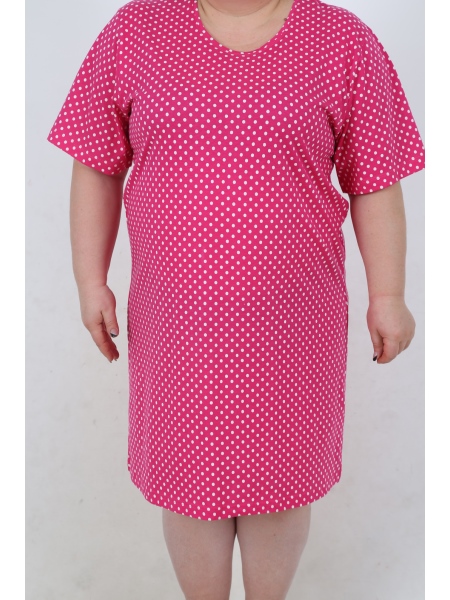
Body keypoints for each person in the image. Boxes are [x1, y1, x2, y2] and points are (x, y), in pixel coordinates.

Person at [47, 0, 425, 597]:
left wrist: (389, 293)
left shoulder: (342, 42)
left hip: (293, 326)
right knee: (188, 481)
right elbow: (95, 163)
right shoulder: (135, 32)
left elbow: (376, 179)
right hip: (180, 326)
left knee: (282, 480)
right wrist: (89, 280)